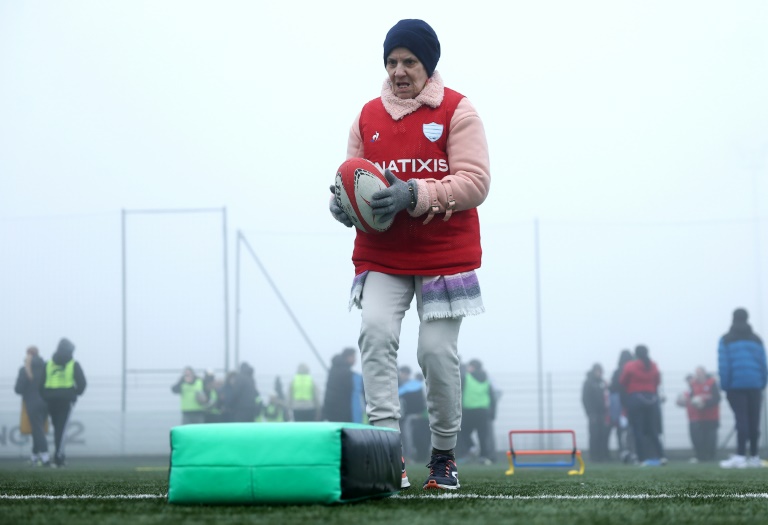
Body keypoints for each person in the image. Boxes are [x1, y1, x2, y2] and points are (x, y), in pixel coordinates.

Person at [328, 18, 490, 491]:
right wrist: (342, 205)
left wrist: (413, 194)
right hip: (382, 255)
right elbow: (350, 178)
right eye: (392, 61)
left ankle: (443, 457)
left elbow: (476, 182)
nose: (399, 71)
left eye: (410, 62)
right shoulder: (366, 116)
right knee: (375, 336)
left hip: (445, 255)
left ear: (428, 65)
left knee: (436, 353)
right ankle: (384, 454)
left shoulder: (459, 111)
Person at [718, 308, 767, 468]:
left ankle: (740, 456)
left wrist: (725, 386)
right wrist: (762, 383)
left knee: (741, 420)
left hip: (735, 387)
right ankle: (754, 456)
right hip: (755, 386)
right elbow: (763, 363)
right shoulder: (756, 339)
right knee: (754, 420)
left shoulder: (725, 339)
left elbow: (724, 365)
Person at [41, 338, 87, 467]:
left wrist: (46, 396)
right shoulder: (73, 364)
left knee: (57, 428)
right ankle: (59, 457)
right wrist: (75, 393)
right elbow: (82, 383)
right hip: (66, 401)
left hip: (50, 400)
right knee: (62, 429)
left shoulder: (48, 364)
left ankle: (59, 455)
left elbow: (41, 384)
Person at [619, 345, 665, 466]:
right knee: (653, 430)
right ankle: (661, 456)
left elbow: (623, 381)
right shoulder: (653, 365)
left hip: (636, 399)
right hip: (651, 399)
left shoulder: (630, 365)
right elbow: (658, 381)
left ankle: (642, 458)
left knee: (637, 430)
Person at [14, 346, 50, 467]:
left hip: (32, 402)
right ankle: (34, 458)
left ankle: (45, 458)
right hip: (46, 402)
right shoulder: (46, 367)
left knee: (37, 430)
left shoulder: (24, 369)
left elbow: (18, 389)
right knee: (37, 430)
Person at [676, 367, 720, 462]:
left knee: (711, 437)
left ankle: (711, 456)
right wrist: (690, 402)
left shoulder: (711, 383)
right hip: (700, 417)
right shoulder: (694, 385)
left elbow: (717, 398)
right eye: (697, 373)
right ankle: (701, 456)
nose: (698, 375)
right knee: (700, 438)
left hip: (712, 416)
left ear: (704, 373)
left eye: (699, 373)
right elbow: (691, 398)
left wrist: (705, 404)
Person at [458, 359, 496, 464]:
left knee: (463, 432)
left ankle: (472, 448)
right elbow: (492, 397)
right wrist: (493, 413)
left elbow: (457, 391)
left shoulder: (466, 377)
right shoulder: (487, 379)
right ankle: (484, 457)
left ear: (472, 367)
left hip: (468, 410)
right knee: (483, 435)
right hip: (483, 411)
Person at [398, 365, 429, 461]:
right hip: (401, 416)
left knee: (409, 438)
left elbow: (420, 401)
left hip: (411, 416)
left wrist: (419, 413)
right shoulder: (399, 385)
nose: (404, 376)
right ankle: (406, 456)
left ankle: (409, 457)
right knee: (403, 437)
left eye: (405, 374)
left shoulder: (412, 386)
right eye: (402, 373)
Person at [609, 349, 634, 463]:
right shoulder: (633, 370)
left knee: (620, 430)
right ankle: (632, 451)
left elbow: (612, 388)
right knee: (632, 429)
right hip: (631, 403)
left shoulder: (616, 372)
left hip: (619, 405)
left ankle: (622, 452)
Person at [582, 363, 610, 462]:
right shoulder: (588, 383)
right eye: (597, 371)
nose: (599, 373)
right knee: (594, 435)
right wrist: (590, 413)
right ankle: (594, 456)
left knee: (603, 435)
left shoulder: (603, 383)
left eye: (600, 371)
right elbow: (585, 399)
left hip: (603, 414)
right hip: (593, 414)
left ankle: (603, 456)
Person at [322, 347, 358, 423]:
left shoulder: (335, 368)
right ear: (348, 357)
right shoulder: (345, 372)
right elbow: (351, 389)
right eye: (354, 357)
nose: (355, 360)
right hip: (341, 411)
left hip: (332, 410)